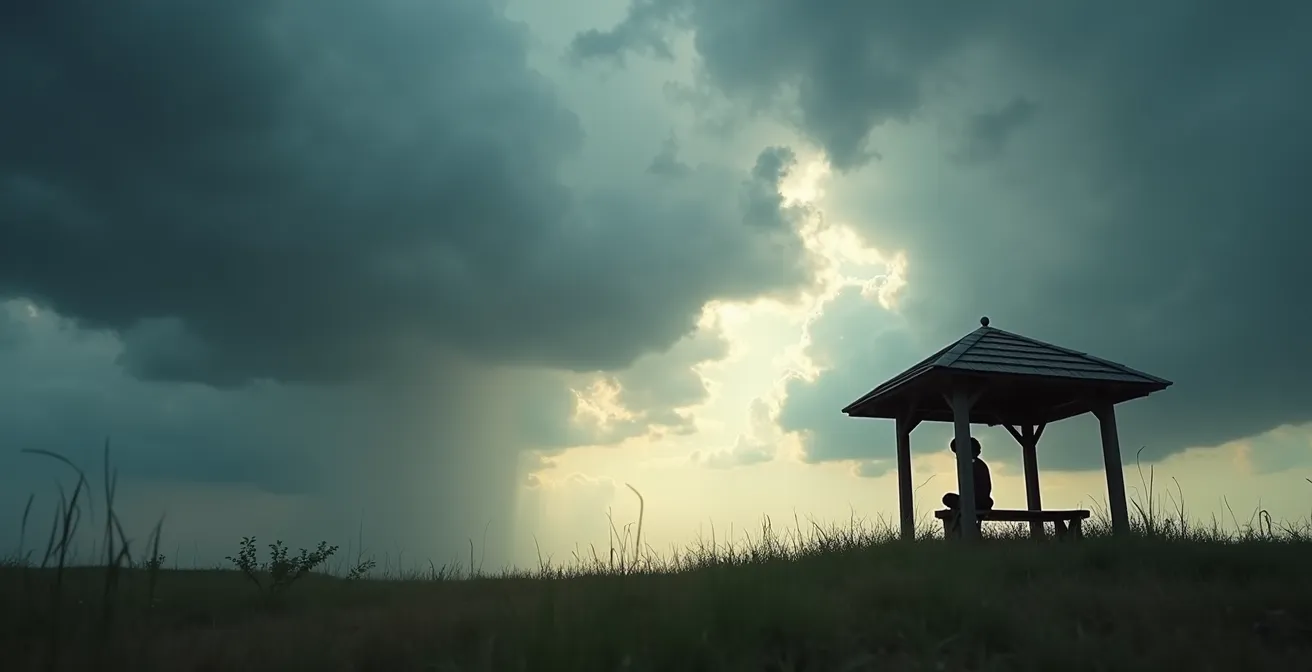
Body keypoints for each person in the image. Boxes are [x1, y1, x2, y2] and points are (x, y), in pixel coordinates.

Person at [942, 437, 994, 511]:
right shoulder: (975, 463)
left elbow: (978, 489)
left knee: (948, 498)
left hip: (977, 501)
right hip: (978, 501)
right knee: (948, 498)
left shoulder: (973, 464)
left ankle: (964, 507)